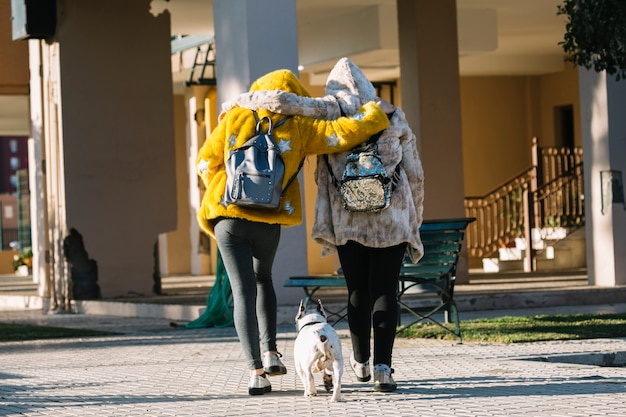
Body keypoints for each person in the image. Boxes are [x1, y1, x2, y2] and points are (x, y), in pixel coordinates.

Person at [223, 57, 425, 392]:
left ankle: (359, 364)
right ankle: (383, 369)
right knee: (386, 290)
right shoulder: (393, 115)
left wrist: (237, 102)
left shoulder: (330, 113)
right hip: (393, 220)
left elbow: (283, 102)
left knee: (358, 291)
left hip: (348, 222)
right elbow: (415, 174)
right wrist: (413, 220)